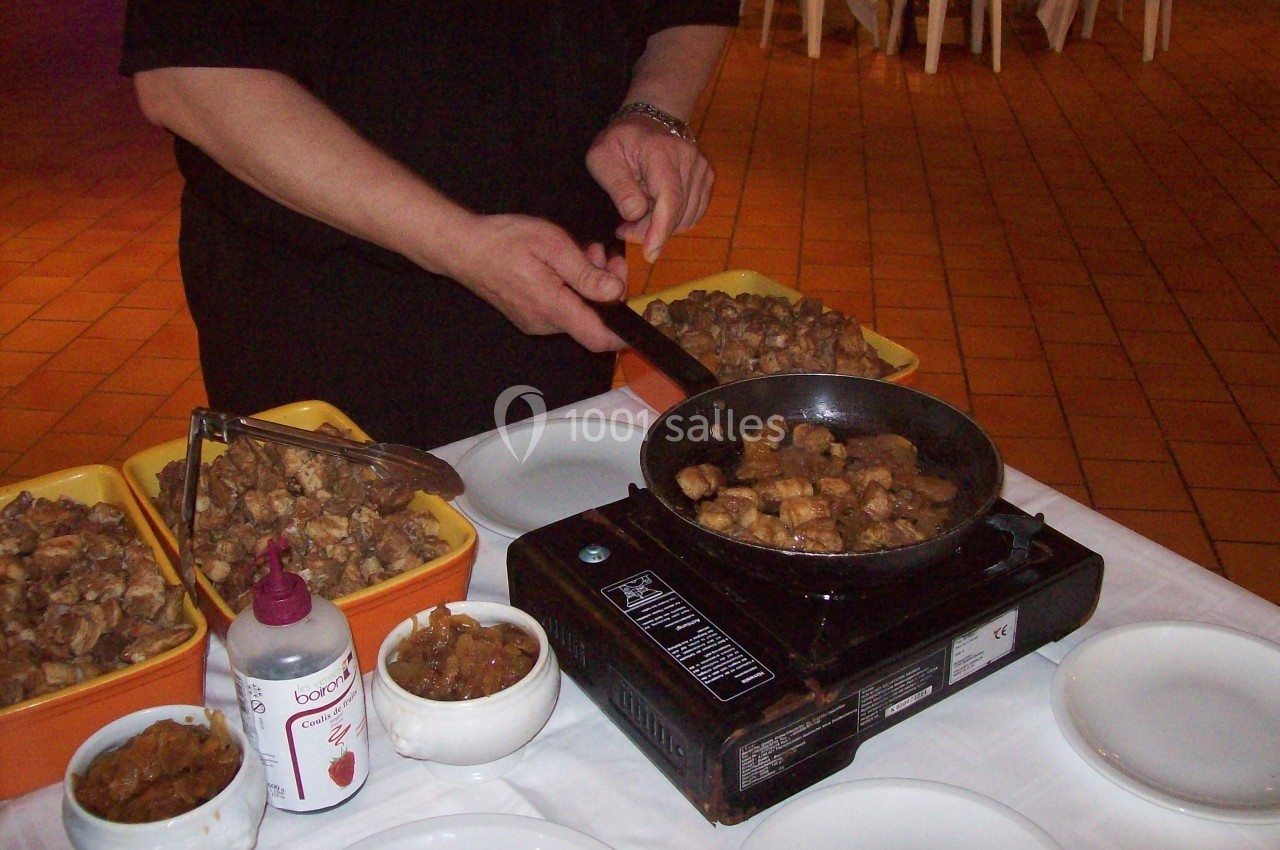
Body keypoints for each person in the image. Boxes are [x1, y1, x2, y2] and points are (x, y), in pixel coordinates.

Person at [120, 2, 738, 448]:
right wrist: (459, 243)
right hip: (318, 297)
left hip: (559, 274)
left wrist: (655, 109)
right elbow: (187, 72)